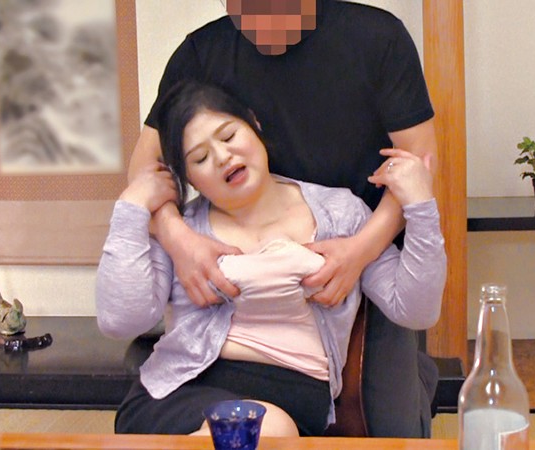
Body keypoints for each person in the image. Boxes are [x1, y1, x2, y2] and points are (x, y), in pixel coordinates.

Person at [127, 0, 441, 437]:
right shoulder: (202, 53)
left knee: (393, 430)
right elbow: (145, 171)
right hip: (249, 259)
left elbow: (417, 162)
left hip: (360, 254)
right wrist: (178, 239)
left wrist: (360, 251)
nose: (263, 21)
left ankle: (418, 379)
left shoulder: (377, 37)